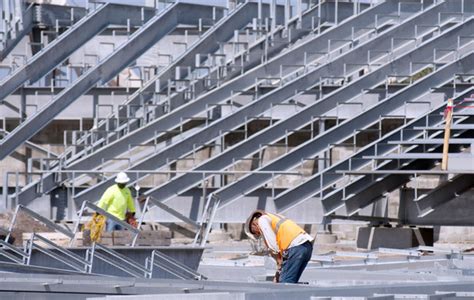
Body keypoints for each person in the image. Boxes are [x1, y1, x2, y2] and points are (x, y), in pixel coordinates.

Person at [245, 210, 313, 283]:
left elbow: (273, 245)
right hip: (306, 246)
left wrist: (279, 263)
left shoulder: (262, 220)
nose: (258, 234)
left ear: (253, 224)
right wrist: (278, 271)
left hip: (295, 247)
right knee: (292, 283)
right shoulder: (274, 217)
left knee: (285, 284)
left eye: (255, 232)